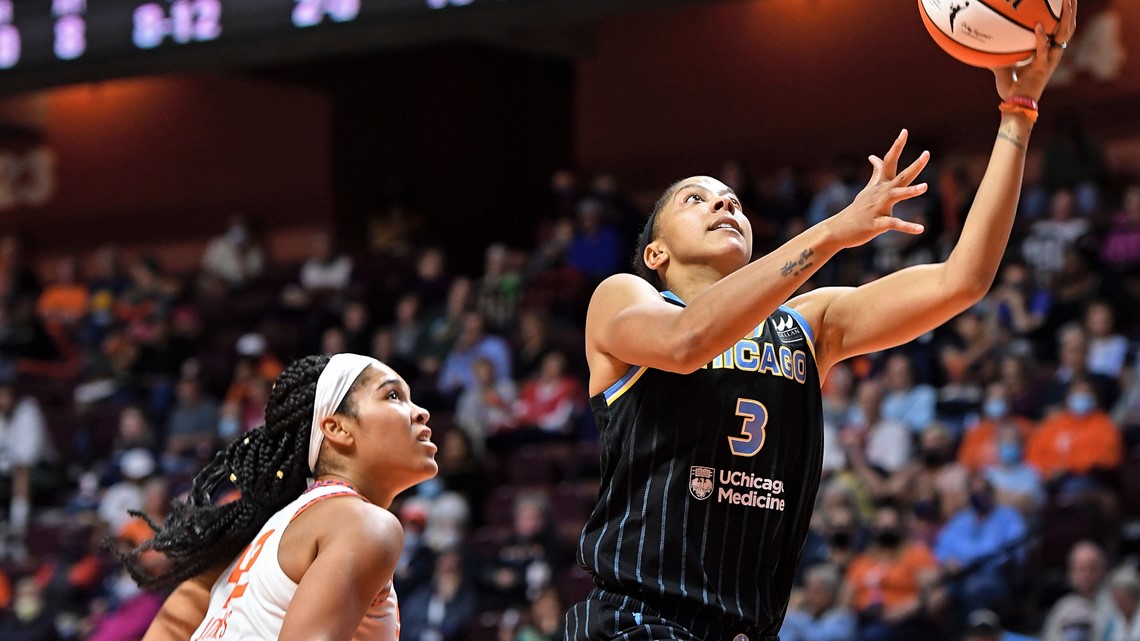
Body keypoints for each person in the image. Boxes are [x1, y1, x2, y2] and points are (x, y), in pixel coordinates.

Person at [566, 7, 1076, 640]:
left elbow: (962, 280)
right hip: (636, 619)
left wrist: (1018, 112)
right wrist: (836, 230)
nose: (724, 201)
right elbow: (686, 342)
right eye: (695, 198)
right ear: (656, 253)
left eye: (733, 198)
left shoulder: (808, 322)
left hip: (745, 627)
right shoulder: (625, 298)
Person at [117, 354, 438, 641]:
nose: (421, 412)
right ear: (337, 428)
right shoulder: (364, 524)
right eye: (393, 396)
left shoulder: (254, 536)